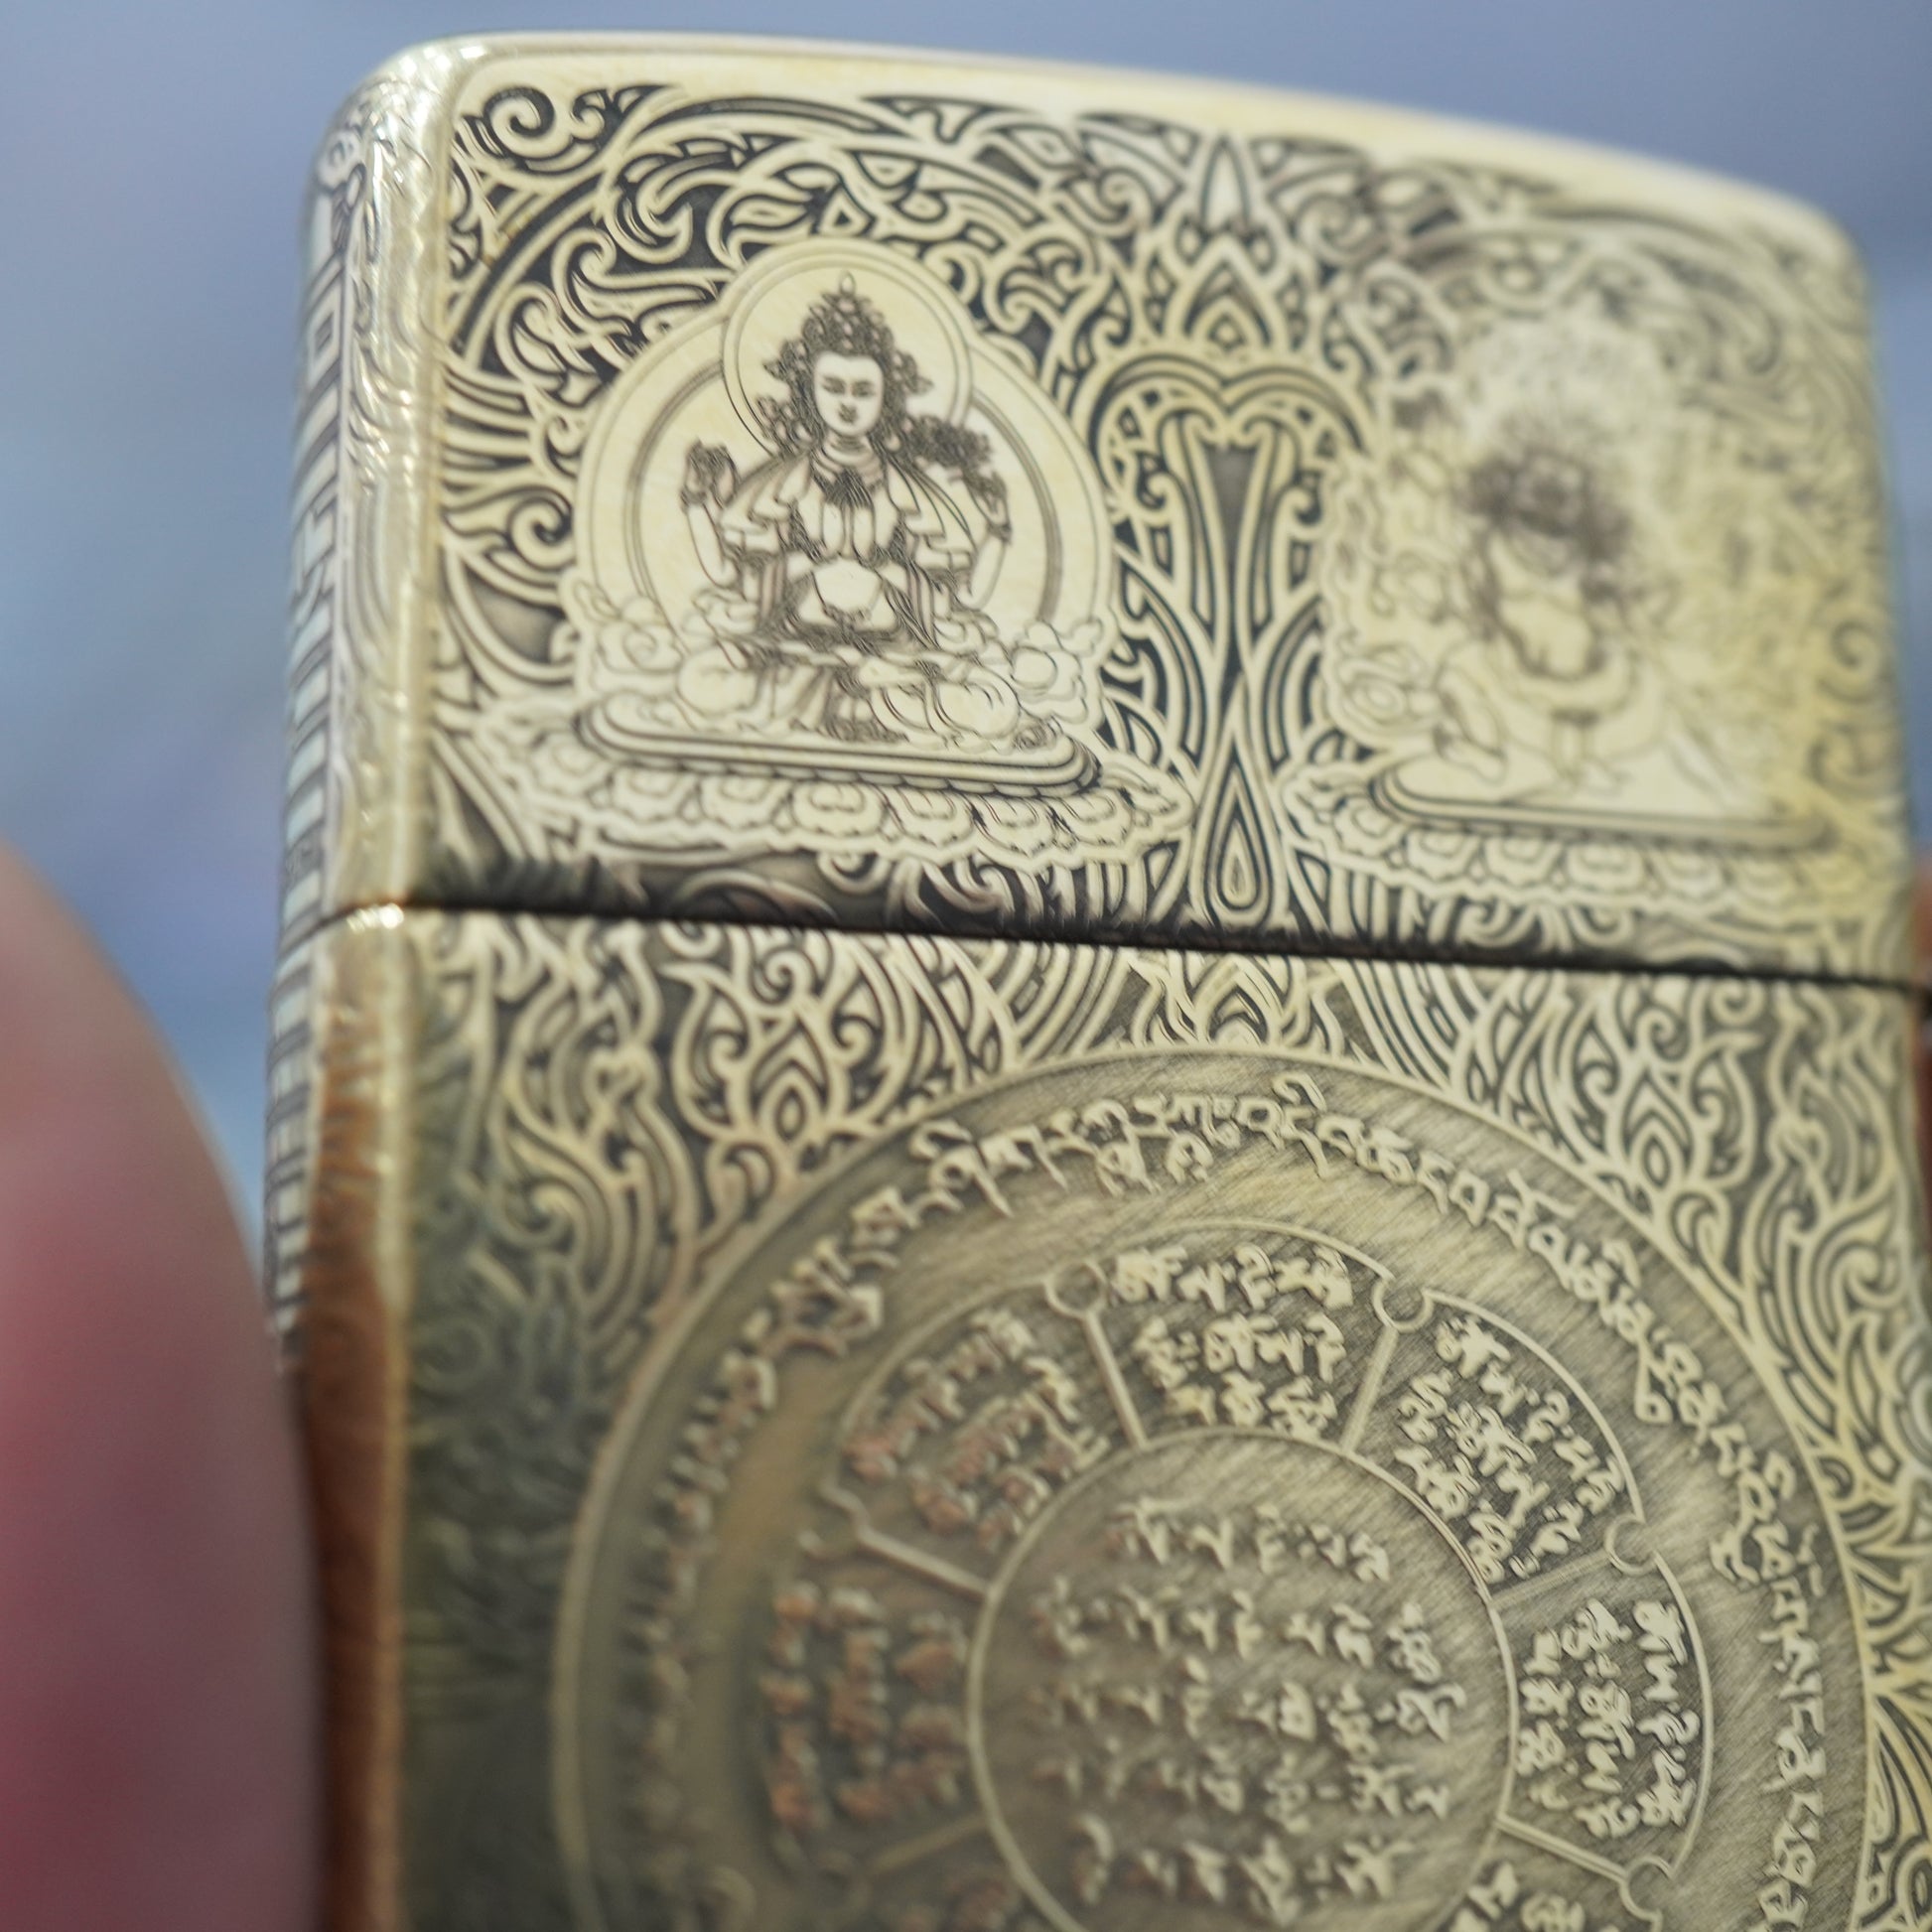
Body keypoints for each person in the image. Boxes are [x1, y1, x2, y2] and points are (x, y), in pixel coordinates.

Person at [675, 278, 1023, 747]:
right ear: (809, 390)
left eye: (863, 391)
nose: (847, 403)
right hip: (795, 652)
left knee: (989, 700)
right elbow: (726, 573)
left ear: (886, 398)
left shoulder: (913, 497)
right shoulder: (779, 488)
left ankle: (872, 698)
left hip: (892, 660)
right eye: (833, 387)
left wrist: (996, 532)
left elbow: (965, 596)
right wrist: (699, 505)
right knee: (703, 679)